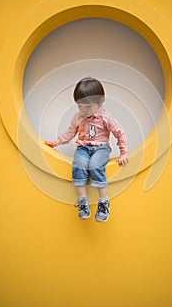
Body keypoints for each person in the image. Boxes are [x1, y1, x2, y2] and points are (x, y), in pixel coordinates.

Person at [45, 77, 128, 222]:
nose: (83, 110)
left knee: (95, 165)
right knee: (79, 165)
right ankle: (83, 201)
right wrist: (56, 142)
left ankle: (104, 201)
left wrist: (123, 152)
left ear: (101, 101)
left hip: (101, 148)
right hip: (83, 148)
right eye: (80, 107)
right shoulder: (78, 117)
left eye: (88, 107)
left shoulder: (105, 118)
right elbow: (70, 133)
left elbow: (119, 134)